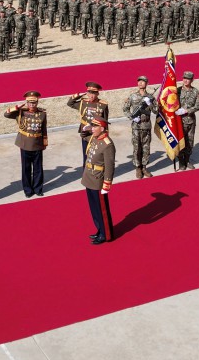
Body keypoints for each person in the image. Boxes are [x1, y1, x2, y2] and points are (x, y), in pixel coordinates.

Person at [4, 91, 48, 198]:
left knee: (38, 168)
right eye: (30, 103)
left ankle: (38, 189)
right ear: (27, 103)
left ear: (37, 103)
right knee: (26, 169)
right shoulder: (21, 112)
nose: (32, 105)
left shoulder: (42, 113)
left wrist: (44, 142)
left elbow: (44, 129)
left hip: (37, 144)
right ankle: (28, 190)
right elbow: (6, 114)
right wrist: (16, 107)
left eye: (34, 103)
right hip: (24, 144)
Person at [81, 117, 115, 245]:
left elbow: (110, 165)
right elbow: (83, 136)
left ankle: (106, 234)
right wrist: (86, 130)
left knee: (102, 209)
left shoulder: (107, 144)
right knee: (94, 208)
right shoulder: (94, 138)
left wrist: (107, 183)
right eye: (92, 126)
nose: (92, 128)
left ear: (102, 128)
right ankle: (99, 229)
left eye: (95, 127)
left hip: (98, 180)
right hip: (89, 177)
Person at [122, 75, 157, 179]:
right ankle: (138, 167)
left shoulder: (150, 97)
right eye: (139, 81)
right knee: (137, 147)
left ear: (147, 83)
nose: (141, 83)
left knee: (146, 147)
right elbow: (125, 109)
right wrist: (132, 118)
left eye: (143, 81)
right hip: (136, 126)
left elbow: (156, 110)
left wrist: (149, 103)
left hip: (146, 125)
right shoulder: (132, 96)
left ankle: (144, 167)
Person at [67, 82, 109, 163]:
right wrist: (78, 95)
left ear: (97, 94)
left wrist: (105, 134)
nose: (91, 96)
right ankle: (85, 174)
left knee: (96, 155)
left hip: (97, 133)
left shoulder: (103, 105)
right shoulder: (83, 103)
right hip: (85, 133)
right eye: (89, 93)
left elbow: (105, 121)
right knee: (86, 155)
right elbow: (70, 103)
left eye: (93, 93)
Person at [175, 70, 199, 170]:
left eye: (188, 79)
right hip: (179, 121)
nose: (186, 81)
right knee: (181, 142)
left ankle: (187, 160)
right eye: (184, 78)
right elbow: (171, 104)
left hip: (190, 120)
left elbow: (198, 106)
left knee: (190, 141)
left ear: (192, 80)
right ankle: (181, 162)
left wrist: (187, 110)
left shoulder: (195, 91)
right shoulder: (177, 91)